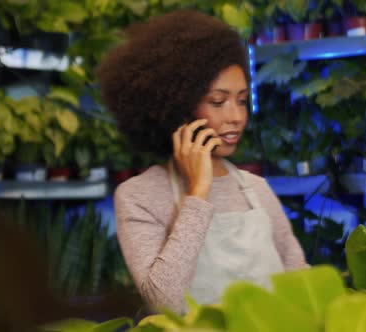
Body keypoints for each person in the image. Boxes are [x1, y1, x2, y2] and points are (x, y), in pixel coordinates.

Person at [97, 9, 308, 314]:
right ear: (179, 106)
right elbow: (163, 302)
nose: (236, 117)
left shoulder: (257, 189)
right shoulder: (138, 197)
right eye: (218, 102)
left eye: (241, 100)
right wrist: (198, 191)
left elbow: (301, 286)